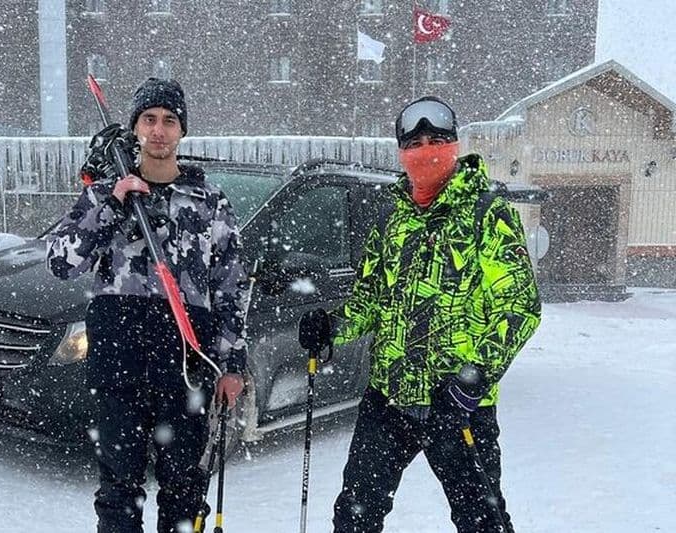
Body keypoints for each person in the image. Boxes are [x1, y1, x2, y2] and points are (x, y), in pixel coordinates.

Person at [299, 96, 541, 532]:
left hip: (457, 404)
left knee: (482, 521)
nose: (426, 151)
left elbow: (520, 307)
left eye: (437, 141)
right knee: (355, 516)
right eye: (415, 144)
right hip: (389, 397)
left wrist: (472, 380)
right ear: (401, 153)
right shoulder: (392, 218)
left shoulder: (487, 213)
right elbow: (371, 299)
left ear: (454, 146)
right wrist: (333, 325)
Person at [46, 78, 248, 533]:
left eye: (169, 121)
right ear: (136, 127)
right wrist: (113, 205)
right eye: (149, 119)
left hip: (186, 362)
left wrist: (232, 363)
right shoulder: (105, 194)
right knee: (119, 490)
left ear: (182, 131)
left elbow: (231, 287)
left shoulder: (209, 202)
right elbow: (61, 262)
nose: (159, 130)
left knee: (184, 489)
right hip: (120, 359)